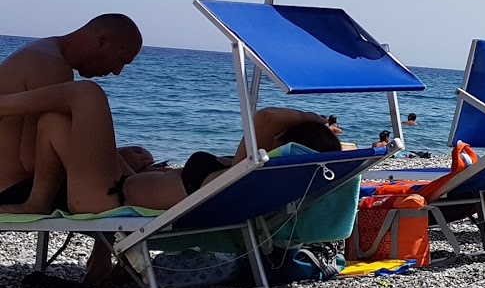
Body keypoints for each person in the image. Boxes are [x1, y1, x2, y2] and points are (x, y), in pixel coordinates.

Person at [0, 80, 339, 217]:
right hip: (121, 184)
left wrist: (313, 118)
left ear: (280, 141)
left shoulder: (244, 169)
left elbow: (265, 117)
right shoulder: (251, 178)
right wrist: (141, 169)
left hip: (106, 198)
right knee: (53, 122)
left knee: (87, 94)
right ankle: (38, 200)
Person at [0, 14, 143, 208]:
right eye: (120, 60)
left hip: (13, 184)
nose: (117, 71)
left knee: (131, 183)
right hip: (13, 190)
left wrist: (112, 156)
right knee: (122, 196)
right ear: (103, 41)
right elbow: (33, 160)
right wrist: (108, 164)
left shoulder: (42, 50)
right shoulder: (52, 66)